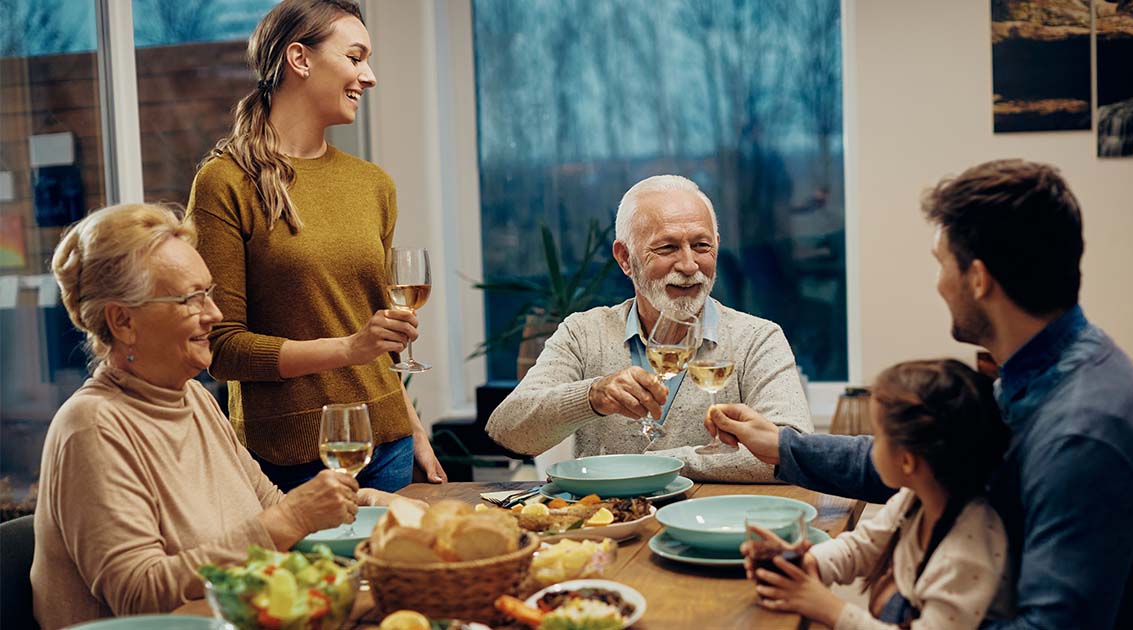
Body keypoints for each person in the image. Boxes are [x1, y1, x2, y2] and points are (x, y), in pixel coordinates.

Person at [707, 159, 1133, 628]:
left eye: (941, 264)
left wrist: (897, 610)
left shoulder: (1084, 435)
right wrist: (783, 445)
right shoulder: (1045, 367)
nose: (938, 284)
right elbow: (929, 460)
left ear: (978, 279)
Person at [32, 203, 417, 630]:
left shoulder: (193, 400)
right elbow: (139, 593)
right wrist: (293, 518)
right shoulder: (92, 427)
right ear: (123, 322)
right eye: (190, 299)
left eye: (209, 293)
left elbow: (270, 507)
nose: (214, 315)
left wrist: (365, 502)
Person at [187, 0, 444, 492]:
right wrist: (349, 349)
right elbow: (222, 349)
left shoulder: (373, 185)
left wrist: (411, 426)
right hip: (290, 456)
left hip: (386, 444)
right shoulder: (225, 183)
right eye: (355, 57)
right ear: (299, 59)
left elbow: (376, 331)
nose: (369, 77)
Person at [487, 174, 812, 482]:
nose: (688, 266)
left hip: (716, 528)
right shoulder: (583, 334)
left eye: (701, 246)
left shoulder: (757, 339)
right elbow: (509, 431)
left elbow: (793, 452)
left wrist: (658, 464)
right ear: (625, 258)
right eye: (667, 248)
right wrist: (593, 396)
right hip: (607, 533)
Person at [744, 359, 1013, 629]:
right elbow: (862, 546)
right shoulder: (913, 498)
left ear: (907, 461)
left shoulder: (966, 556)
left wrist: (829, 608)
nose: (869, 447)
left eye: (878, 436)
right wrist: (807, 562)